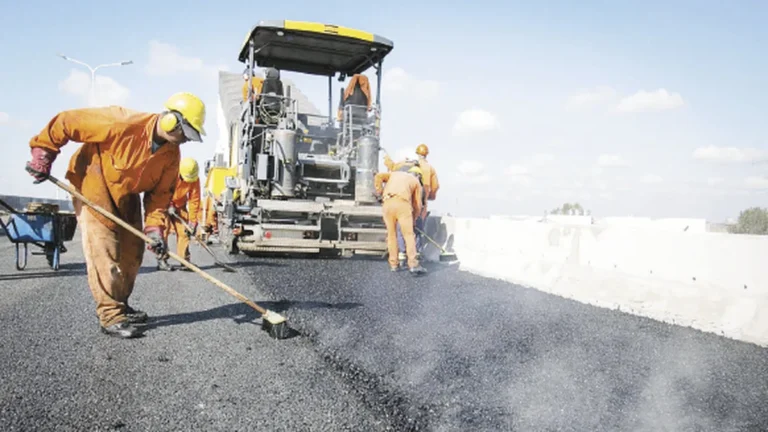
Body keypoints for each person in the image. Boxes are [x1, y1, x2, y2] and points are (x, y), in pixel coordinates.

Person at [24, 92, 207, 339]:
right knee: (104, 250)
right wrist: (44, 153)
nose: (185, 140)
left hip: (127, 193)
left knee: (133, 253)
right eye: (184, 133)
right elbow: (67, 122)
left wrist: (155, 229)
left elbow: (160, 196)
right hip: (93, 183)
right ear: (170, 121)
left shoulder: (172, 154)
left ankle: (121, 303)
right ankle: (110, 314)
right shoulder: (121, 122)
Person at [383, 143, 440, 264]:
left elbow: (392, 169)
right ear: (426, 154)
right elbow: (435, 187)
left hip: (406, 201)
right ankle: (416, 253)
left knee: (401, 228)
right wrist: (430, 197)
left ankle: (402, 252)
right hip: (420, 202)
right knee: (417, 228)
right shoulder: (430, 168)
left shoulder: (405, 165)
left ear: (417, 153)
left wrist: (386, 160)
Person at [374, 166, 427, 276]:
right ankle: (413, 264)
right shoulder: (416, 182)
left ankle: (394, 264)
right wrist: (414, 219)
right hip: (403, 205)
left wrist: (380, 191)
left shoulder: (394, 174)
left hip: (387, 203)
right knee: (408, 235)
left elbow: (378, 176)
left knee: (391, 235)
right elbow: (417, 205)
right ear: (418, 175)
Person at [156, 157, 201, 271]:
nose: (187, 182)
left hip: (180, 206)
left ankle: (184, 261)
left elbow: (194, 200)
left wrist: (192, 221)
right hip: (164, 204)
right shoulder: (171, 173)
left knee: (184, 232)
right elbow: (162, 190)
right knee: (163, 231)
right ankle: (162, 260)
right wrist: (169, 204)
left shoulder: (194, 178)